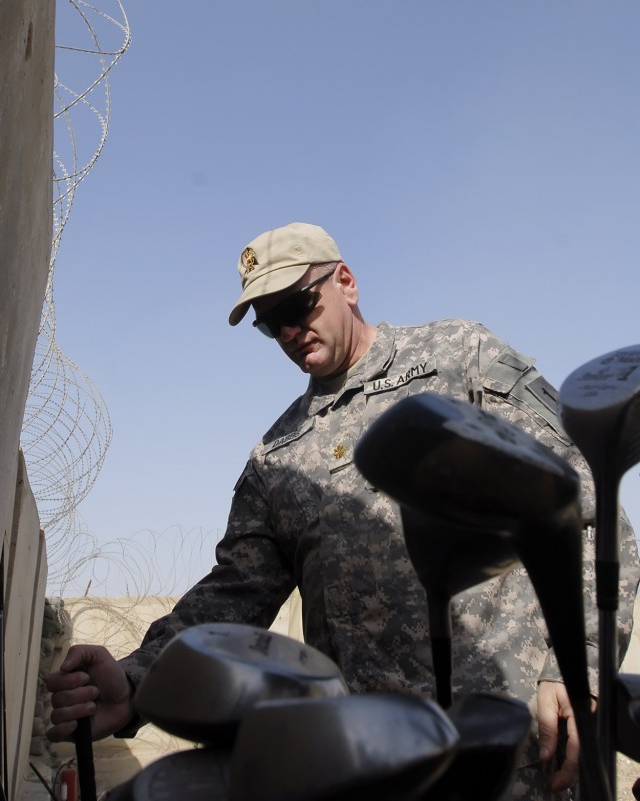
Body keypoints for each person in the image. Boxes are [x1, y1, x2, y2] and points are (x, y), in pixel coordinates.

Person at [47, 222, 639, 799]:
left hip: (508, 745)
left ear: (346, 282)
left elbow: (584, 505)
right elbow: (231, 597)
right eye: (270, 324)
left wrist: (576, 664)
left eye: (299, 304)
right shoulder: (277, 456)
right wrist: (133, 679)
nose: (290, 330)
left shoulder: (461, 359)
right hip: (366, 762)